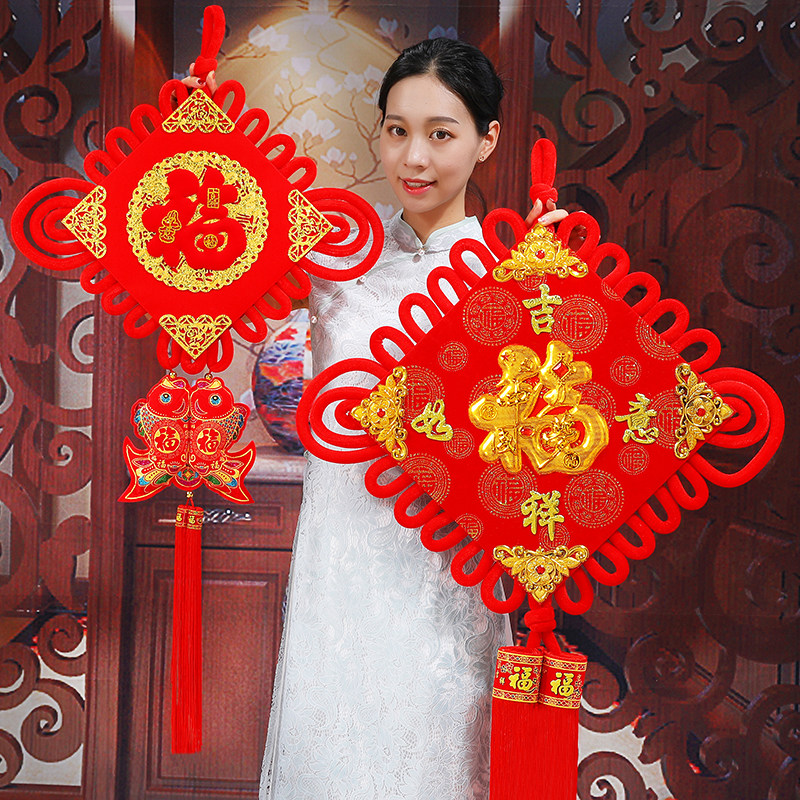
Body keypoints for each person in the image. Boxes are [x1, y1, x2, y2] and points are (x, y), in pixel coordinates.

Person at [186, 37, 571, 800]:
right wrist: (197, 145)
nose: (414, 158)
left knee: (437, 753)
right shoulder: (335, 261)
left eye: (441, 133)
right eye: (397, 130)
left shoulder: (515, 271)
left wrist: (556, 299)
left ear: (487, 140)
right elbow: (203, 268)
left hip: (448, 573)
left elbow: (550, 452)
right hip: (341, 561)